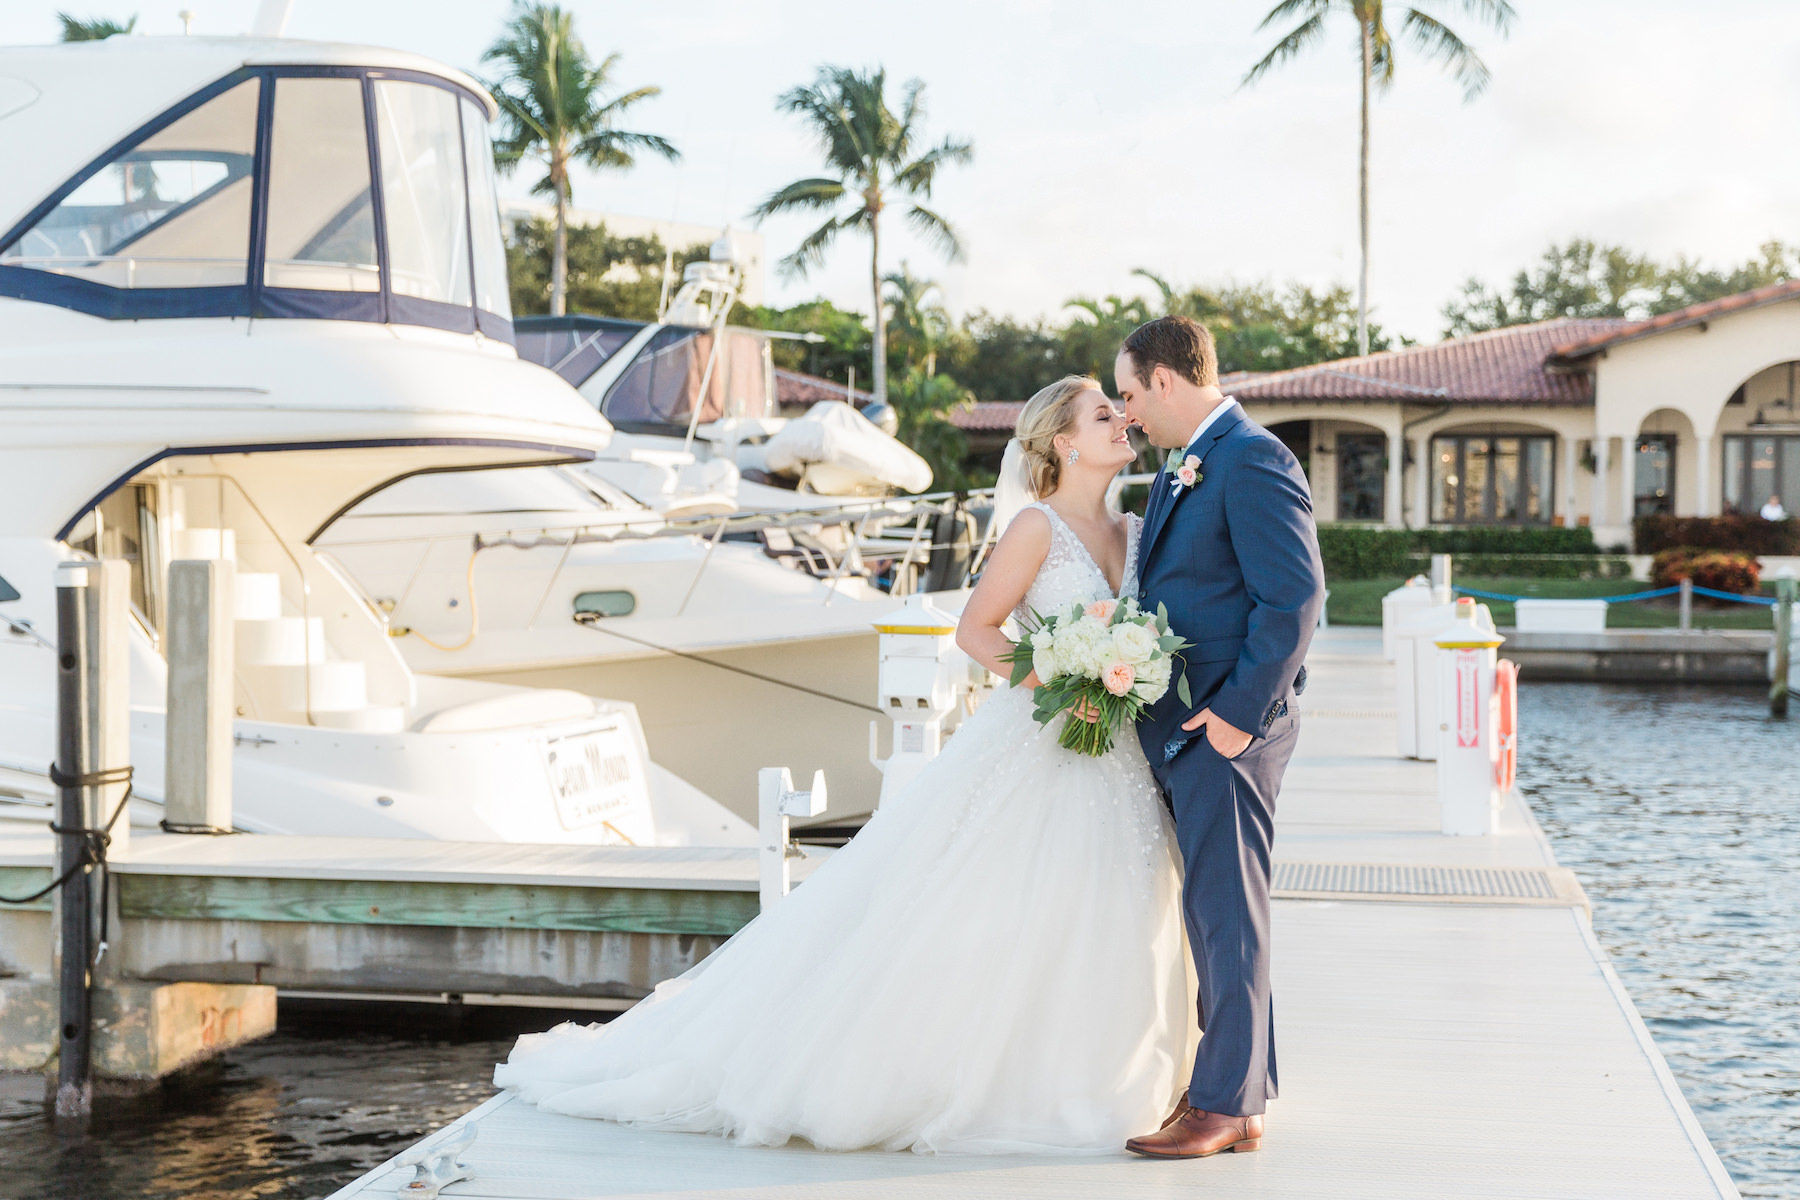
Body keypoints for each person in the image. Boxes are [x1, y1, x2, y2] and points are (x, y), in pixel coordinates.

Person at [493, 375, 1197, 1153]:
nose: (1123, 421)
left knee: (1110, 904)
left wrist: (1119, 673)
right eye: (1105, 414)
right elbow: (977, 630)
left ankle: (1102, 1071)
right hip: (1042, 739)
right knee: (990, 906)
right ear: (1064, 441)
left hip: (1117, 751)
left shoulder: (1136, 530)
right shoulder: (1035, 528)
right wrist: (1066, 673)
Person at [1114, 316, 1325, 1159]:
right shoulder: (1184, 466)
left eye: (1129, 393)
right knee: (1216, 915)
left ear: (1166, 380)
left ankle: (1222, 1104)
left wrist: (1238, 716)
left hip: (1229, 725)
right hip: (1187, 724)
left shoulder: (1254, 458)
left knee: (1227, 916)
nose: (1126, 413)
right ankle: (1245, 1091)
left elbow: (1296, 599)